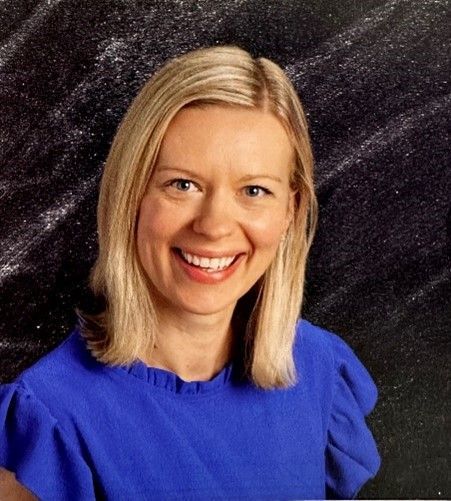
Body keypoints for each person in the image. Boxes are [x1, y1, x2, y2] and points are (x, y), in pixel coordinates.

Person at [0, 45, 380, 500]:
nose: (215, 226)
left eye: (254, 190)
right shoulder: (52, 420)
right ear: (131, 197)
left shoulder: (318, 369)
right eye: (183, 184)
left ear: (290, 213)